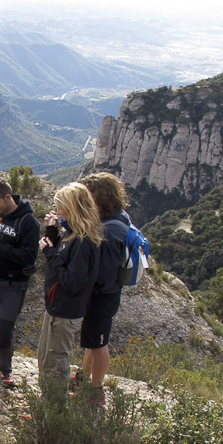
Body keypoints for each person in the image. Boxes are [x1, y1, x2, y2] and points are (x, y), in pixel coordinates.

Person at [37, 183, 103, 396]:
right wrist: (52, 232)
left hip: (65, 311)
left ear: (74, 209)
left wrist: (49, 253)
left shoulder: (83, 241)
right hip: (56, 308)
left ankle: (55, 417)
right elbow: (63, 258)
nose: (59, 213)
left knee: (55, 364)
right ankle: (47, 410)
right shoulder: (73, 234)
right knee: (45, 359)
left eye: (62, 209)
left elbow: (72, 281)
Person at [0, 180, 40, 386]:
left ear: (8, 197)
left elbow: (29, 256)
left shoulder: (28, 222)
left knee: (5, 327)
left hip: (15, 283)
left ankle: (6, 369)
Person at [77, 173, 132, 403]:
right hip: (102, 296)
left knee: (99, 343)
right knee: (93, 339)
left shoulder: (110, 230)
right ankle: (83, 376)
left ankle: (96, 390)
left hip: (103, 296)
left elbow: (104, 275)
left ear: (100, 198)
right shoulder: (118, 218)